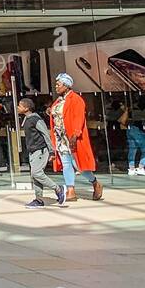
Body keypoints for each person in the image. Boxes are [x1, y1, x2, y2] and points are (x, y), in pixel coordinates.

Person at [48, 73, 101, 201]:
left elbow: (79, 118)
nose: (56, 86)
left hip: (72, 137)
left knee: (77, 164)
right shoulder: (58, 101)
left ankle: (95, 182)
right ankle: (70, 190)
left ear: (66, 85)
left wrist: (76, 134)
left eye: (58, 84)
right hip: (60, 137)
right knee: (66, 163)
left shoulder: (76, 99)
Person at [19, 96, 66, 208]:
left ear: (26, 108)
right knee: (34, 176)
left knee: (37, 173)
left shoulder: (36, 119)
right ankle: (39, 199)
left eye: (20, 106)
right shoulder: (27, 119)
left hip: (40, 150)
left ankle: (58, 188)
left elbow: (45, 134)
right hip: (33, 151)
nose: (17, 107)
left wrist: (51, 151)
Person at [122, 103, 145, 176]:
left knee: (132, 150)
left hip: (130, 129)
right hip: (140, 131)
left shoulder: (131, 109)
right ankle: (141, 168)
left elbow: (122, 121)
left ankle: (131, 169)